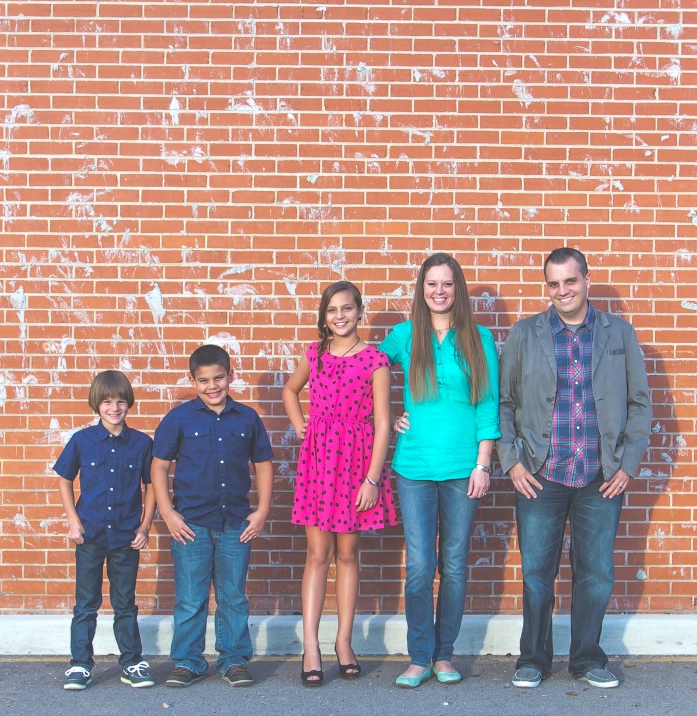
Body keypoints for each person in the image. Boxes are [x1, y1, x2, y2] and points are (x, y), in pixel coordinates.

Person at [498, 247, 652, 690]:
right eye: (553, 283)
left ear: (586, 280)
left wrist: (626, 464)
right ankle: (533, 659)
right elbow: (505, 404)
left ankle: (587, 659)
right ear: (546, 286)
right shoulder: (526, 334)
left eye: (570, 281)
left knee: (597, 572)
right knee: (536, 572)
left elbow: (640, 404)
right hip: (540, 473)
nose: (562, 290)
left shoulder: (618, 334)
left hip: (600, 475)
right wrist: (511, 462)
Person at [382, 252, 500, 688]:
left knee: (453, 563)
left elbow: (488, 404)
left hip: (463, 468)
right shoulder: (403, 335)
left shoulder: (479, 338)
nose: (439, 291)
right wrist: (387, 418)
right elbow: (363, 373)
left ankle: (444, 655)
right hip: (413, 466)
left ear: (458, 289)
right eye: (431, 283)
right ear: (422, 288)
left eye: (447, 283)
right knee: (419, 564)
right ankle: (418, 656)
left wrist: (483, 464)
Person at [281, 281, 397, 687]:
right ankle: (310, 646)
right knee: (318, 552)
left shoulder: (375, 360)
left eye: (347, 308)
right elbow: (290, 390)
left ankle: (344, 643)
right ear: (324, 316)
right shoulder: (314, 354)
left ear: (359, 311)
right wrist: (300, 426)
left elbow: (383, 424)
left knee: (347, 553)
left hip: (355, 464)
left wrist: (372, 479)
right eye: (332, 310)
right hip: (318, 463)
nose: (340, 316)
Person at [151, 344, 275, 688]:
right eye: (203, 380)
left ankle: (233, 659)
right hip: (190, 524)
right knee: (191, 597)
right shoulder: (179, 419)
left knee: (233, 596)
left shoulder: (247, 418)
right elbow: (159, 466)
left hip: (236, 522)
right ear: (194, 381)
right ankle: (189, 661)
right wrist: (168, 513)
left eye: (218, 377)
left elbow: (263, 464)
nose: (212, 386)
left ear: (230, 375)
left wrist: (262, 511)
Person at [54, 370, 157, 690]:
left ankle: (131, 662)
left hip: (127, 536)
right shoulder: (82, 441)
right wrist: (74, 521)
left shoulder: (142, 443)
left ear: (129, 404)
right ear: (96, 404)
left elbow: (152, 484)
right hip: (91, 535)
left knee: (125, 603)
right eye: (107, 402)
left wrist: (145, 525)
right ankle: (80, 665)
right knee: (86, 604)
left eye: (121, 401)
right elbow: (63, 479)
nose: (114, 408)